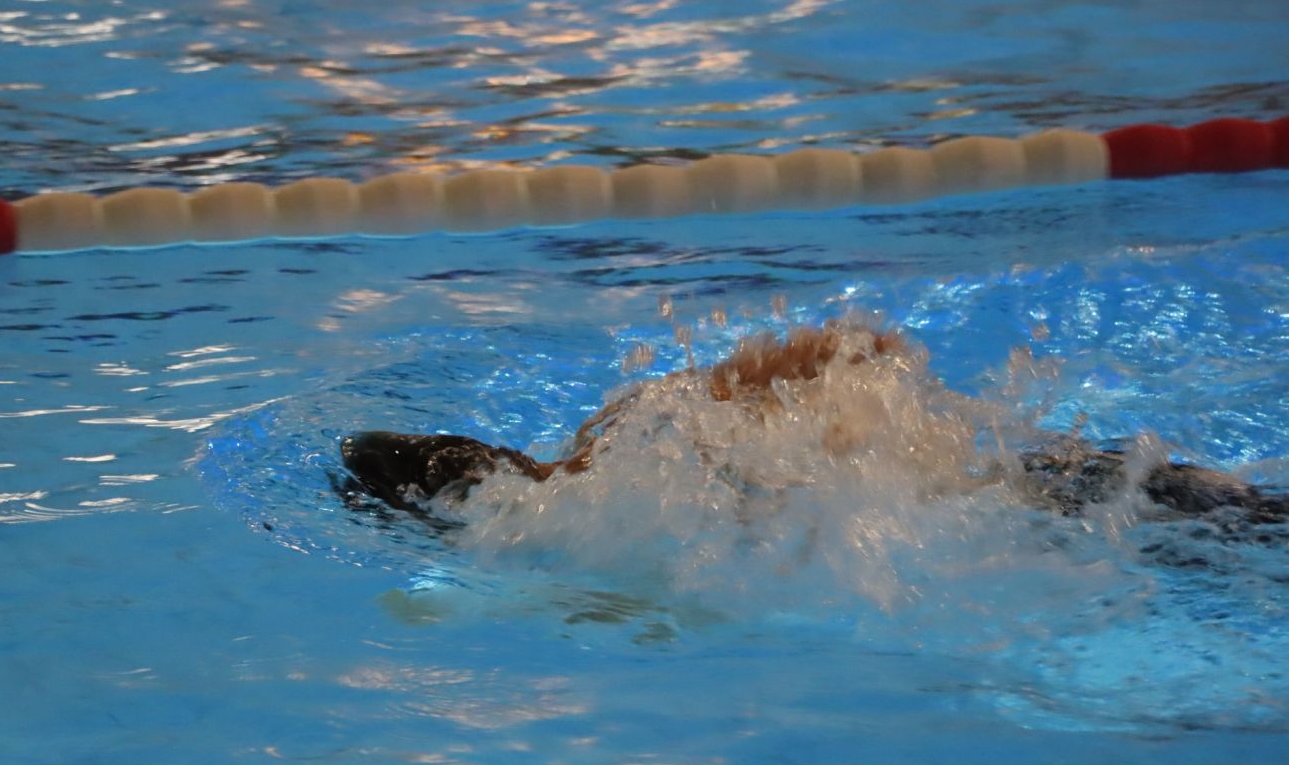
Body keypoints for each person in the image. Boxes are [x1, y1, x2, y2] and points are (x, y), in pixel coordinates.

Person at [340, 322, 1289, 528]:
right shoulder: (609, 527)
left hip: (1052, 494)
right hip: (1040, 510)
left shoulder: (630, 433)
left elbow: (861, 346)